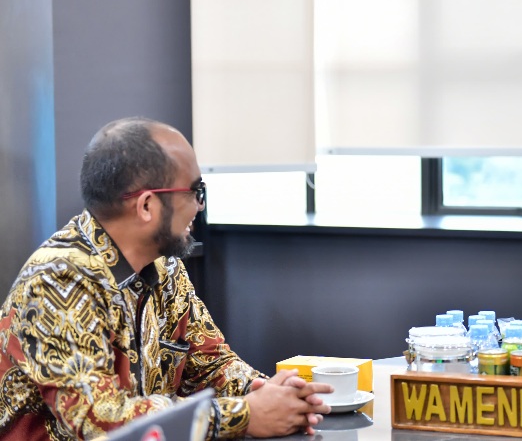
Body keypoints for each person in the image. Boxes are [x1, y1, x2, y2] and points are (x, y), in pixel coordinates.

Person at [0, 117, 332, 439]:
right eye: (195, 190)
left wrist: (267, 393)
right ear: (147, 206)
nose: (199, 206)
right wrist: (243, 415)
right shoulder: (59, 281)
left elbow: (210, 363)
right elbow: (99, 421)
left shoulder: (164, 265)